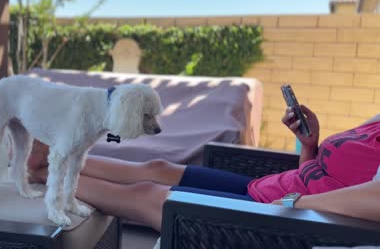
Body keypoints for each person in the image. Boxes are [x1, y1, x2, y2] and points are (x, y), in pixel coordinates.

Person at [28, 105, 380, 231]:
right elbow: (324, 175)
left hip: (283, 216)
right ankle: (62, 156)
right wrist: (308, 145)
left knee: (149, 195)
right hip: (269, 189)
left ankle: (45, 174)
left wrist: (294, 205)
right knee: (159, 167)